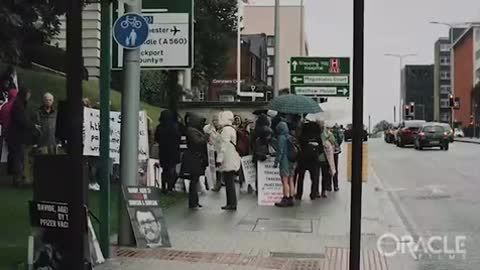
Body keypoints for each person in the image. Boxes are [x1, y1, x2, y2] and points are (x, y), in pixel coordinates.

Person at [7, 88, 34, 187]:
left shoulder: (19, 104)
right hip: (17, 137)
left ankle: (19, 178)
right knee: (19, 158)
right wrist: (32, 125)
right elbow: (23, 121)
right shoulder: (18, 106)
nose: (29, 96)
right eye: (28, 94)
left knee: (19, 158)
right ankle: (18, 180)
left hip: (17, 136)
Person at [181, 113, 208, 209]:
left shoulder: (193, 129)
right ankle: (193, 202)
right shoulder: (192, 130)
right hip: (193, 157)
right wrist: (205, 137)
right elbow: (198, 141)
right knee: (194, 180)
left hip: (195, 156)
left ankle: (195, 201)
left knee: (195, 180)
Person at [216, 111, 241, 211]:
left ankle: (231, 203)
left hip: (227, 158)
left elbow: (223, 145)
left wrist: (219, 159)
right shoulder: (231, 129)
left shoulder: (226, 130)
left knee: (229, 181)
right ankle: (231, 202)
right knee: (229, 181)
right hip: (231, 157)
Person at [155, 110, 181, 193]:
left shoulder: (159, 127)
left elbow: (157, 139)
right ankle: (170, 186)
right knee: (172, 169)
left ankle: (163, 186)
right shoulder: (175, 126)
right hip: (173, 151)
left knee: (164, 170)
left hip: (163, 151)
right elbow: (178, 137)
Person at [295, 121, 323, 200]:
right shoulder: (317, 137)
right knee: (314, 178)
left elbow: (299, 146)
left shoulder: (303, 136)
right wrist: (316, 152)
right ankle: (313, 194)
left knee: (301, 178)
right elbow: (321, 149)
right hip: (314, 160)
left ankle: (299, 194)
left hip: (303, 159)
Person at [274, 119, 296, 207]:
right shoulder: (290, 136)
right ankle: (291, 197)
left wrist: (276, 162)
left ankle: (285, 198)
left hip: (285, 161)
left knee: (285, 180)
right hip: (292, 160)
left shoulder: (281, 138)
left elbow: (280, 151)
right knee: (291, 180)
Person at [317, 121, 337, 198]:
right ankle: (322, 191)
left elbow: (333, 141)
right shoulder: (327, 133)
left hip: (320, 158)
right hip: (324, 158)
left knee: (319, 176)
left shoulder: (319, 134)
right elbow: (333, 141)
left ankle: (319, 191)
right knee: (323, 175)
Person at [204, 114, 222, 192]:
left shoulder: (222, 128)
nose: (215, 122)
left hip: (219, 150)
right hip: (211, 150)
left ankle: (219, 182)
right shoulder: (208, 128)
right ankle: (213, 183)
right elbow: (206, 137)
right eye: (214, 120)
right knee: (212, 168)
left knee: (219, 167)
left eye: (217, 120)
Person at [331, 124, 344, 191]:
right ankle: (335, 185)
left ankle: (327, 186)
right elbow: (340, 139)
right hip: (335, 151)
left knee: (326, 168)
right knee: (335, 167)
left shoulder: (325, 129)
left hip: (326, 151)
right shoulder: (337, 130)